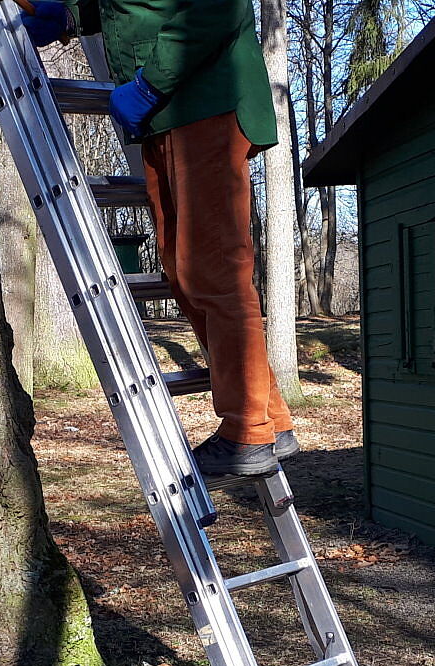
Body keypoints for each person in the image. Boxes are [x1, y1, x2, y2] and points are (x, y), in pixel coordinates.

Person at [21, 0, 299, 478]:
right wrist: (72, 16)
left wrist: (151, 83)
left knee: (216, 271)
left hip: (202, 105)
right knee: (184, 271)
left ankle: (248, 430)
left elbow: (217, 10)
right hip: (166, 114)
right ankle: (268, 418)